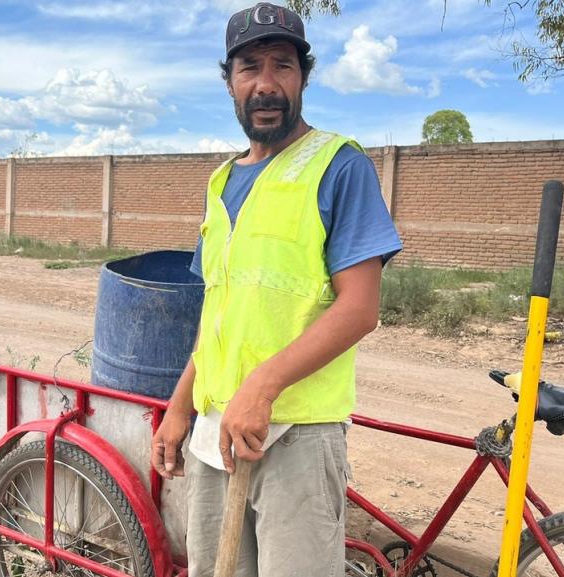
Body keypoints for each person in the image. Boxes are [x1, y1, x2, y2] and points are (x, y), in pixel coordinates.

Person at [150, 3, 402, 575]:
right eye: (250, 67)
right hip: (218, 438)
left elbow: (360, 309)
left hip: (297, 439)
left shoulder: (339, 166)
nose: (266, 84)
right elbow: (220, 313)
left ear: (303, 77)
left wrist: (261, 387)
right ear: (230, 82)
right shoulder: (221, 181)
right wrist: (179, 406)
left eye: (282, 66)